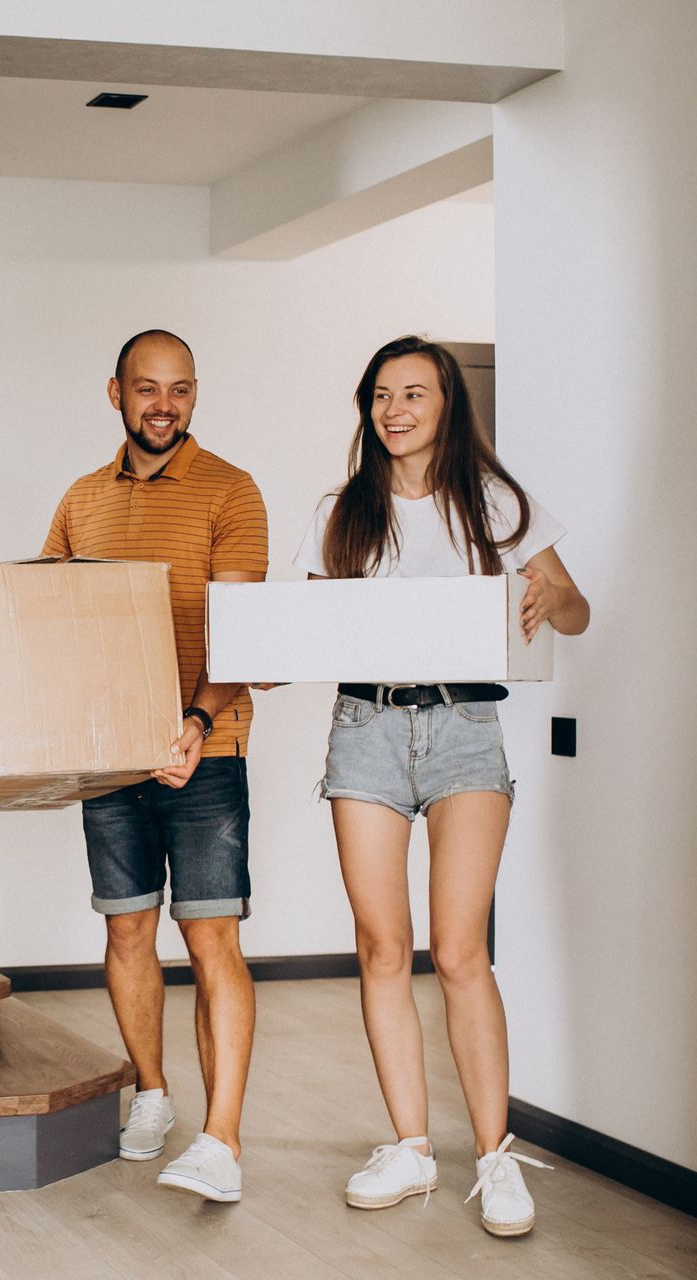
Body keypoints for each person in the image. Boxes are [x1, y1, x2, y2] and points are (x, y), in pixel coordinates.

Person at [0, 330, 268, 1203]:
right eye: (146, 388)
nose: (162, 404)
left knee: (211, 940)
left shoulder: (231, 490)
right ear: (115, 394)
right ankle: (154, 1096)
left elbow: (248, 634)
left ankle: (223, 1139)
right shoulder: (83, 499)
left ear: (194, 397)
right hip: (111, 759)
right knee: (128, 929)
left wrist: (198, 722)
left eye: (179, 390)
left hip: (205, 752)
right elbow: (33, 620)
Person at [296, 335, 589, 1238]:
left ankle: (495, 1158)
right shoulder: (340, 511)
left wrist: (544, 601)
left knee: (460, 950)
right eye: (382, 394)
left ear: (446, 405)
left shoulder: (497, 503)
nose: (394, 410)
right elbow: (310, 628)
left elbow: (575, 611)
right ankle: (411, 1148)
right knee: (383, 946)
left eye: (413, 393)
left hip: (465, 729)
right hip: (365, 728)